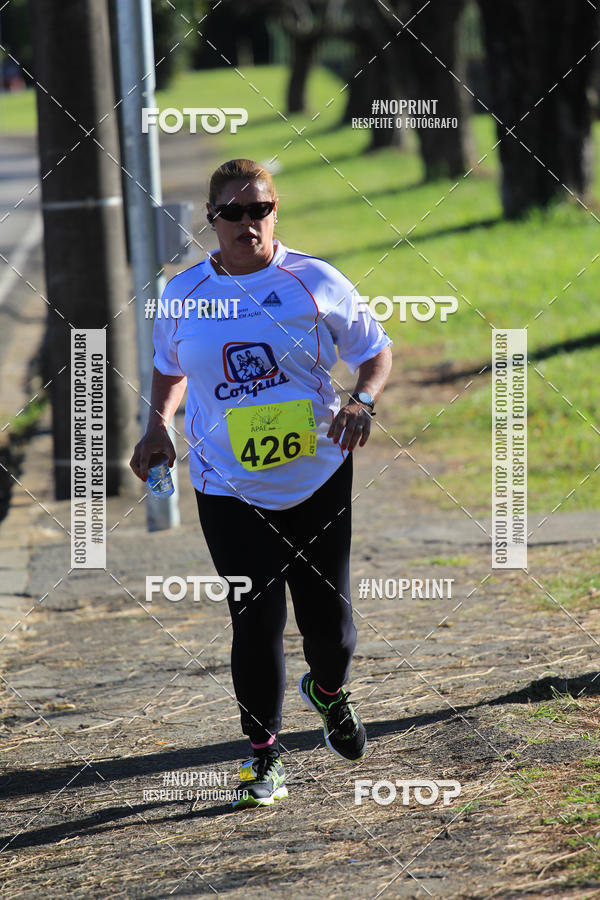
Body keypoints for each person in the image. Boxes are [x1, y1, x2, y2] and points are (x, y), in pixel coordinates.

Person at [130, 158, 392, 809]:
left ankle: (327, 693)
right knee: (256, 618)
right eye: (236, 212)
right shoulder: (183, 294)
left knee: (330, 630)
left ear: (275, 212)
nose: (250, 223)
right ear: (213, 221)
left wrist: (363, 400)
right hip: (227, 484)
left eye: (262, 209)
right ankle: (263, 757)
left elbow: (375, 350)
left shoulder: (313, 280)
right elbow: (168, 368)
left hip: (319, 474)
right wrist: (158, 424)